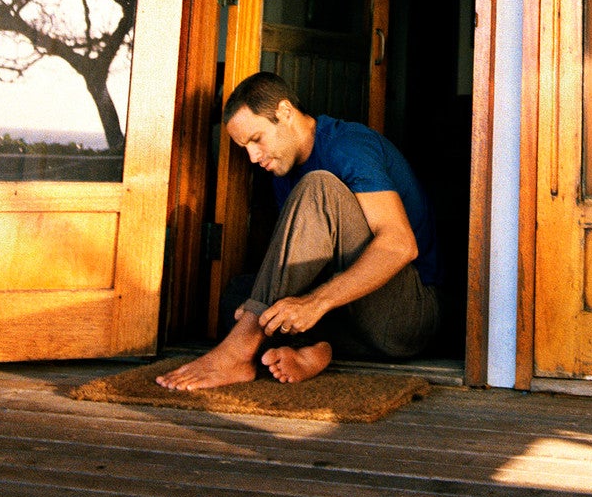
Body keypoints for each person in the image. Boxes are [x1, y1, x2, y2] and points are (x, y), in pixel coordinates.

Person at [157, 72, 440, 390]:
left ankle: (238, 352)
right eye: (244, 147)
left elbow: (401, 245)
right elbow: (298, 269)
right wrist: (272, 303)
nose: (252, 157)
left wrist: (314, 303)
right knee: (239, 295)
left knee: (319, 187)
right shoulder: (284, 172)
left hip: (406, 316)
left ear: (285, 112)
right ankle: (317, 350)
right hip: (350, 320)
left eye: (256, 139)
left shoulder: (348, 146)